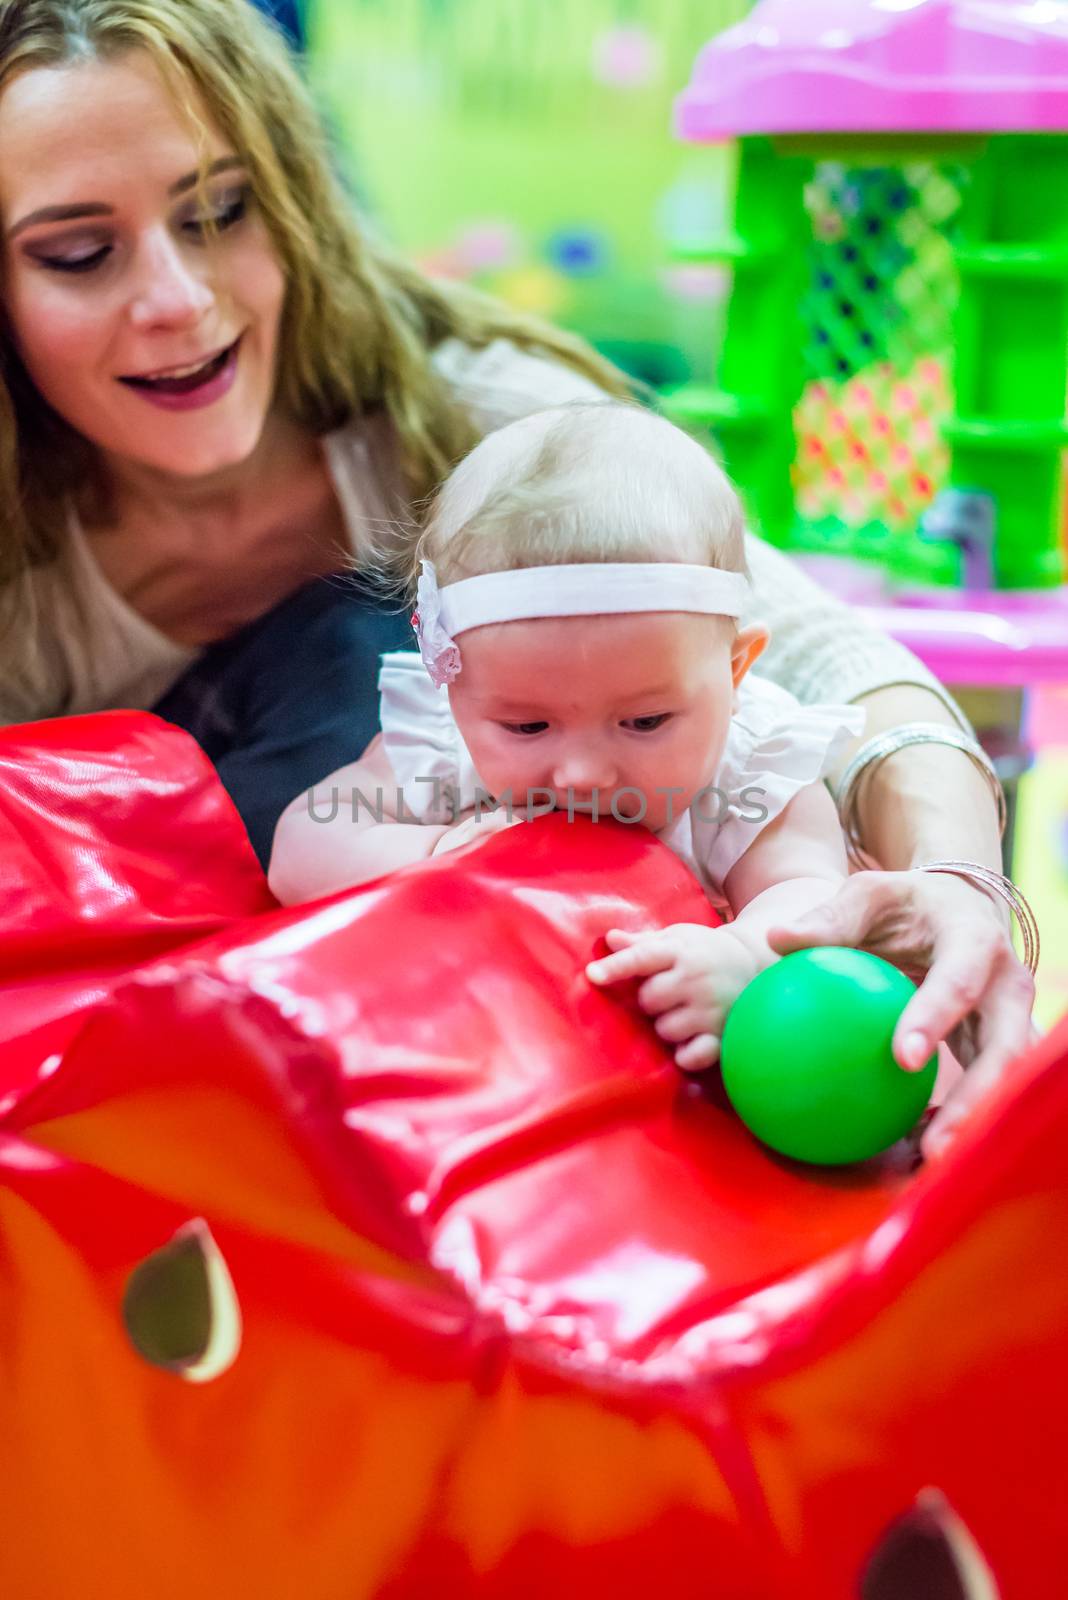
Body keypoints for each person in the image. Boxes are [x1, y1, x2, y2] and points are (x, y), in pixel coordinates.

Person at [0, 0, 1035, 1152]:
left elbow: (825, 656)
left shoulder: (505, 442)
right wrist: (453, 852)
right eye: (79, 253)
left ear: (291, 203)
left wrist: (953, 879)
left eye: (222, 211)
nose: (179, 301)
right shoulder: (399, 736)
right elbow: (318, 839)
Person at [271, 402, 876, 1072]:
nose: (583, 774)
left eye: (644, 722)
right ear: (452, 688)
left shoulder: (749, 774)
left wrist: (747, 956)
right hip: (483, 1064)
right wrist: (429, 848)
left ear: (735, 672)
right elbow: (301, 848)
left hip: (665, 1096)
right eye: (527, 726)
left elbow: (814, 898)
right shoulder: (443, 751)